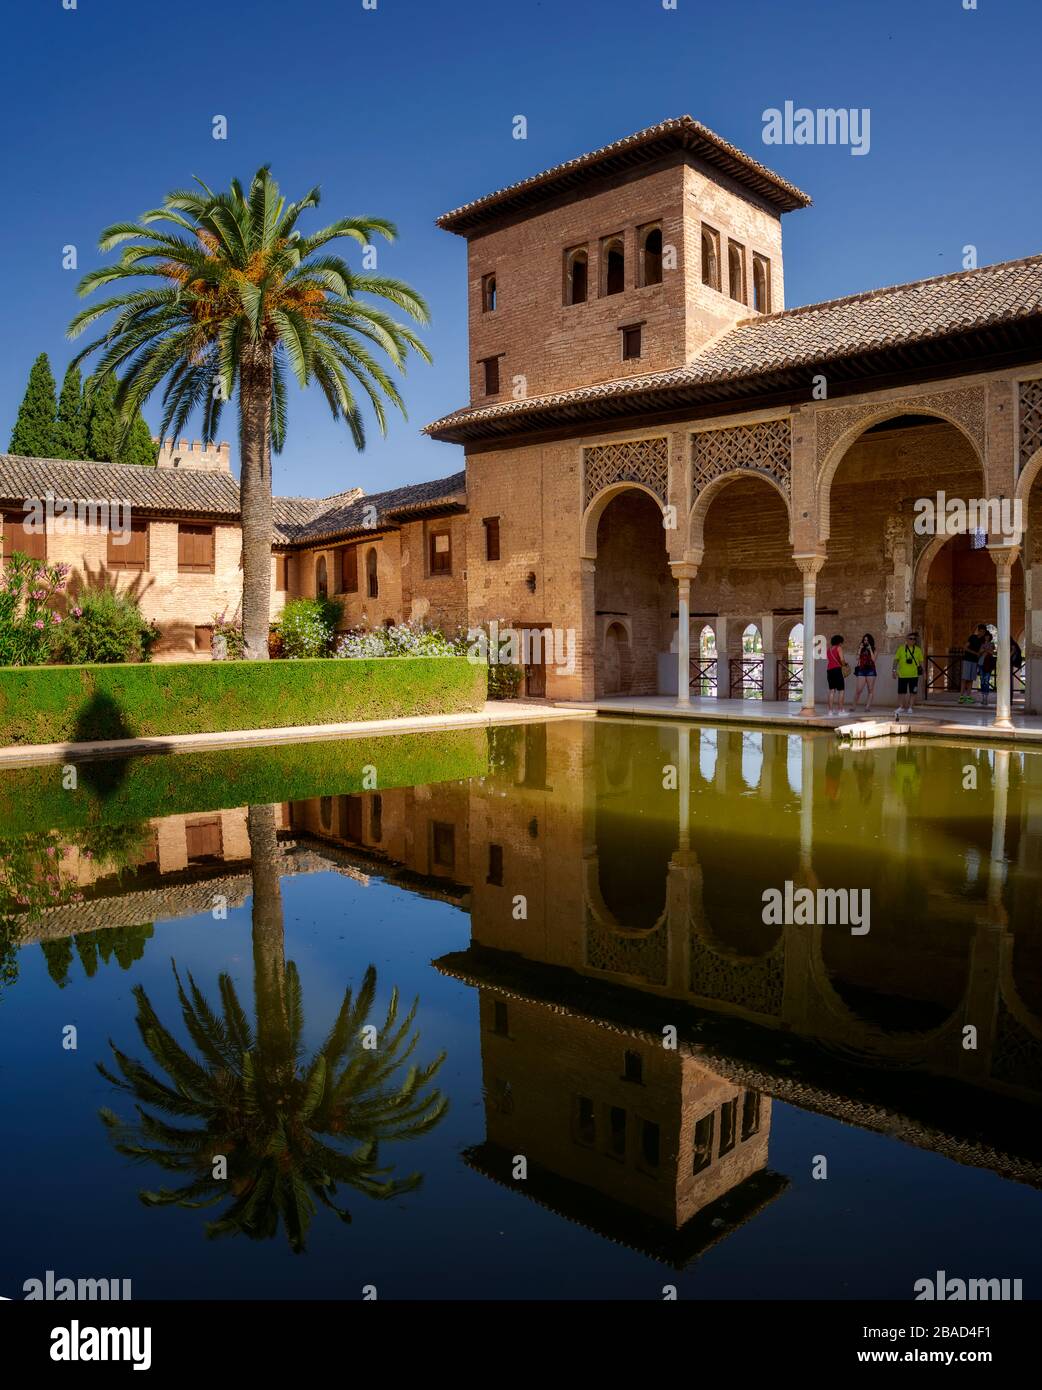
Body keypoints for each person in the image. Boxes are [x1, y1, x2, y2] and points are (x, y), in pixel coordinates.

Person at [893, 630, 924, 715]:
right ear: (906, 639)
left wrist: (923, 671)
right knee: (901, 692)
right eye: (911, 638)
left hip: (914, 675)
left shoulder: (918, 650)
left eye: (914, 639)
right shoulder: (901, 649)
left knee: (913, 692)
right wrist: (894, 670)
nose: (913, 640)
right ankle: (901, 707)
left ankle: (910, 707)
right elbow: (896, 660)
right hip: (902, 675)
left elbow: (921, 662)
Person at [960, 624, 988, 704]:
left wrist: (983, 650)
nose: (982, 633)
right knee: (964, 678)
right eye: (981, 631)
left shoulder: (982, 640)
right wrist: (975, 653)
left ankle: (968, 696)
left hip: (975, 661)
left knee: (971, 679)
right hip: (967, 659)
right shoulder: (972, 637)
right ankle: (961, 697)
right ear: (978, 631)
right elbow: (965, 647)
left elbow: (981, 651)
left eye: (983, 632)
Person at [852, 633, 877, 712]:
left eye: (867, 640)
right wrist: (859, 649)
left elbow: (873, 660)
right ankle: (853, 706)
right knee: (858, 690)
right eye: (864, 640)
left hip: (870, 671)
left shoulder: (874, 649)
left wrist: (870, 649)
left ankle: (867, 707)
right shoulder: (861, 649)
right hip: (861, 670)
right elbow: (857, 658)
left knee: (870, 690)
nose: (866, 641)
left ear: (870, 641)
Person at [825, 633, 847, 715]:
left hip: (829, 670)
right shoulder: (839, 648)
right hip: (837, 670)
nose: (842, 644)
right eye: (841, 642)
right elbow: (842, 660)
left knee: (831, 690)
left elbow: (830, 660)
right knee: (841, 690)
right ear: (839, 642)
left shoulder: (828, 650)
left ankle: (830, 711)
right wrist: (844, 664)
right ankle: (840, 710)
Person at [978, 630, 997, 708]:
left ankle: (986, 698)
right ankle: (983, 698)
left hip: (988, 664)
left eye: (988, 636)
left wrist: (985, 650)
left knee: (986, 680)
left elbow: (992, 652)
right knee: (982, 681)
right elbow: (980, 652)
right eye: (986, 636)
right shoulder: (982, 644)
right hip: (981, 663)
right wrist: (987, 650)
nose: (987, 637)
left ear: (990, 637)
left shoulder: (992, 644)